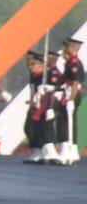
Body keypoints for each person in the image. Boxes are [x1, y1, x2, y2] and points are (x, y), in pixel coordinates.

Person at [23, 50, 61, 162]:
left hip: (47, 105)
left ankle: (52, 152)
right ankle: (38, 150)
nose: (30, 66)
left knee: (46, 128)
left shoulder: (47, 75)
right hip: (37, 106)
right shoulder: (35, 76)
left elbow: (54, 91)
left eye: (33, 64)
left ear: (40, 65)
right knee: (30, 127)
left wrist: (50, 108)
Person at [51, 37, 82, 165]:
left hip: (72, 94)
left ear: (73, 48)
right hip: (67, 93)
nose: (65, 49)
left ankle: (69, 151)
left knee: (67, 122)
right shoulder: (69, 62)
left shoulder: (74, 63)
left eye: (67, 46)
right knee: (64, 121)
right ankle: (67, 149)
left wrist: (71, 100)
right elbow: (64, 79)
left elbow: (75, 82)